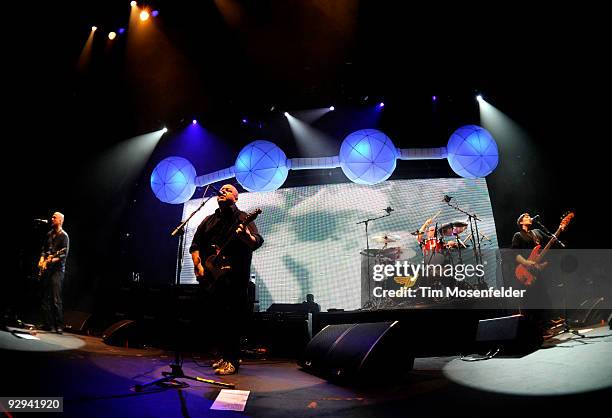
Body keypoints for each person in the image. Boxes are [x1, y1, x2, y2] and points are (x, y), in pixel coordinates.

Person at [189, 184, 263, 375]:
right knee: (218, 320)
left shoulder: (243, 218)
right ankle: (223, 356)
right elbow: (195, 245)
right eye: (222, 189)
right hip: (213, 280)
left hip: (235, 279)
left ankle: (232, 360)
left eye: (229, 190)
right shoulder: (208, 220)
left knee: (233, 320)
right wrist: (199, 266)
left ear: (236, 198)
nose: (223, 191)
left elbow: (257, 241)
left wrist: (246, 237)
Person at [511, 212, 554, 336]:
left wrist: (560, 229)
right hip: (524, 271)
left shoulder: (537, 232)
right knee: (530, 300)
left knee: (543, 298)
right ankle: (533, 331)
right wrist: (526, 262)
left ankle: (544, 328)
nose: (529, 217)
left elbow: (551, 240)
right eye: (525, 216)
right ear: (520, 222)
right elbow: (514, 254)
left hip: (537, 271)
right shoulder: (518, 235)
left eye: (529, 216)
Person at [38, 212, 69, 334]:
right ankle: (48, 324)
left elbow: (63, 255)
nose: (52, 219)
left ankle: (59, 325)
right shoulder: (49, 234)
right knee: (45, 298)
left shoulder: (64, 236)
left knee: (56, 299)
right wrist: (42, 259)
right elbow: (44, 250)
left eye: (54, 217)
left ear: (60, 221)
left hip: (57, 271)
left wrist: (51, 260)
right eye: (51, 217)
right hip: (48, 270)